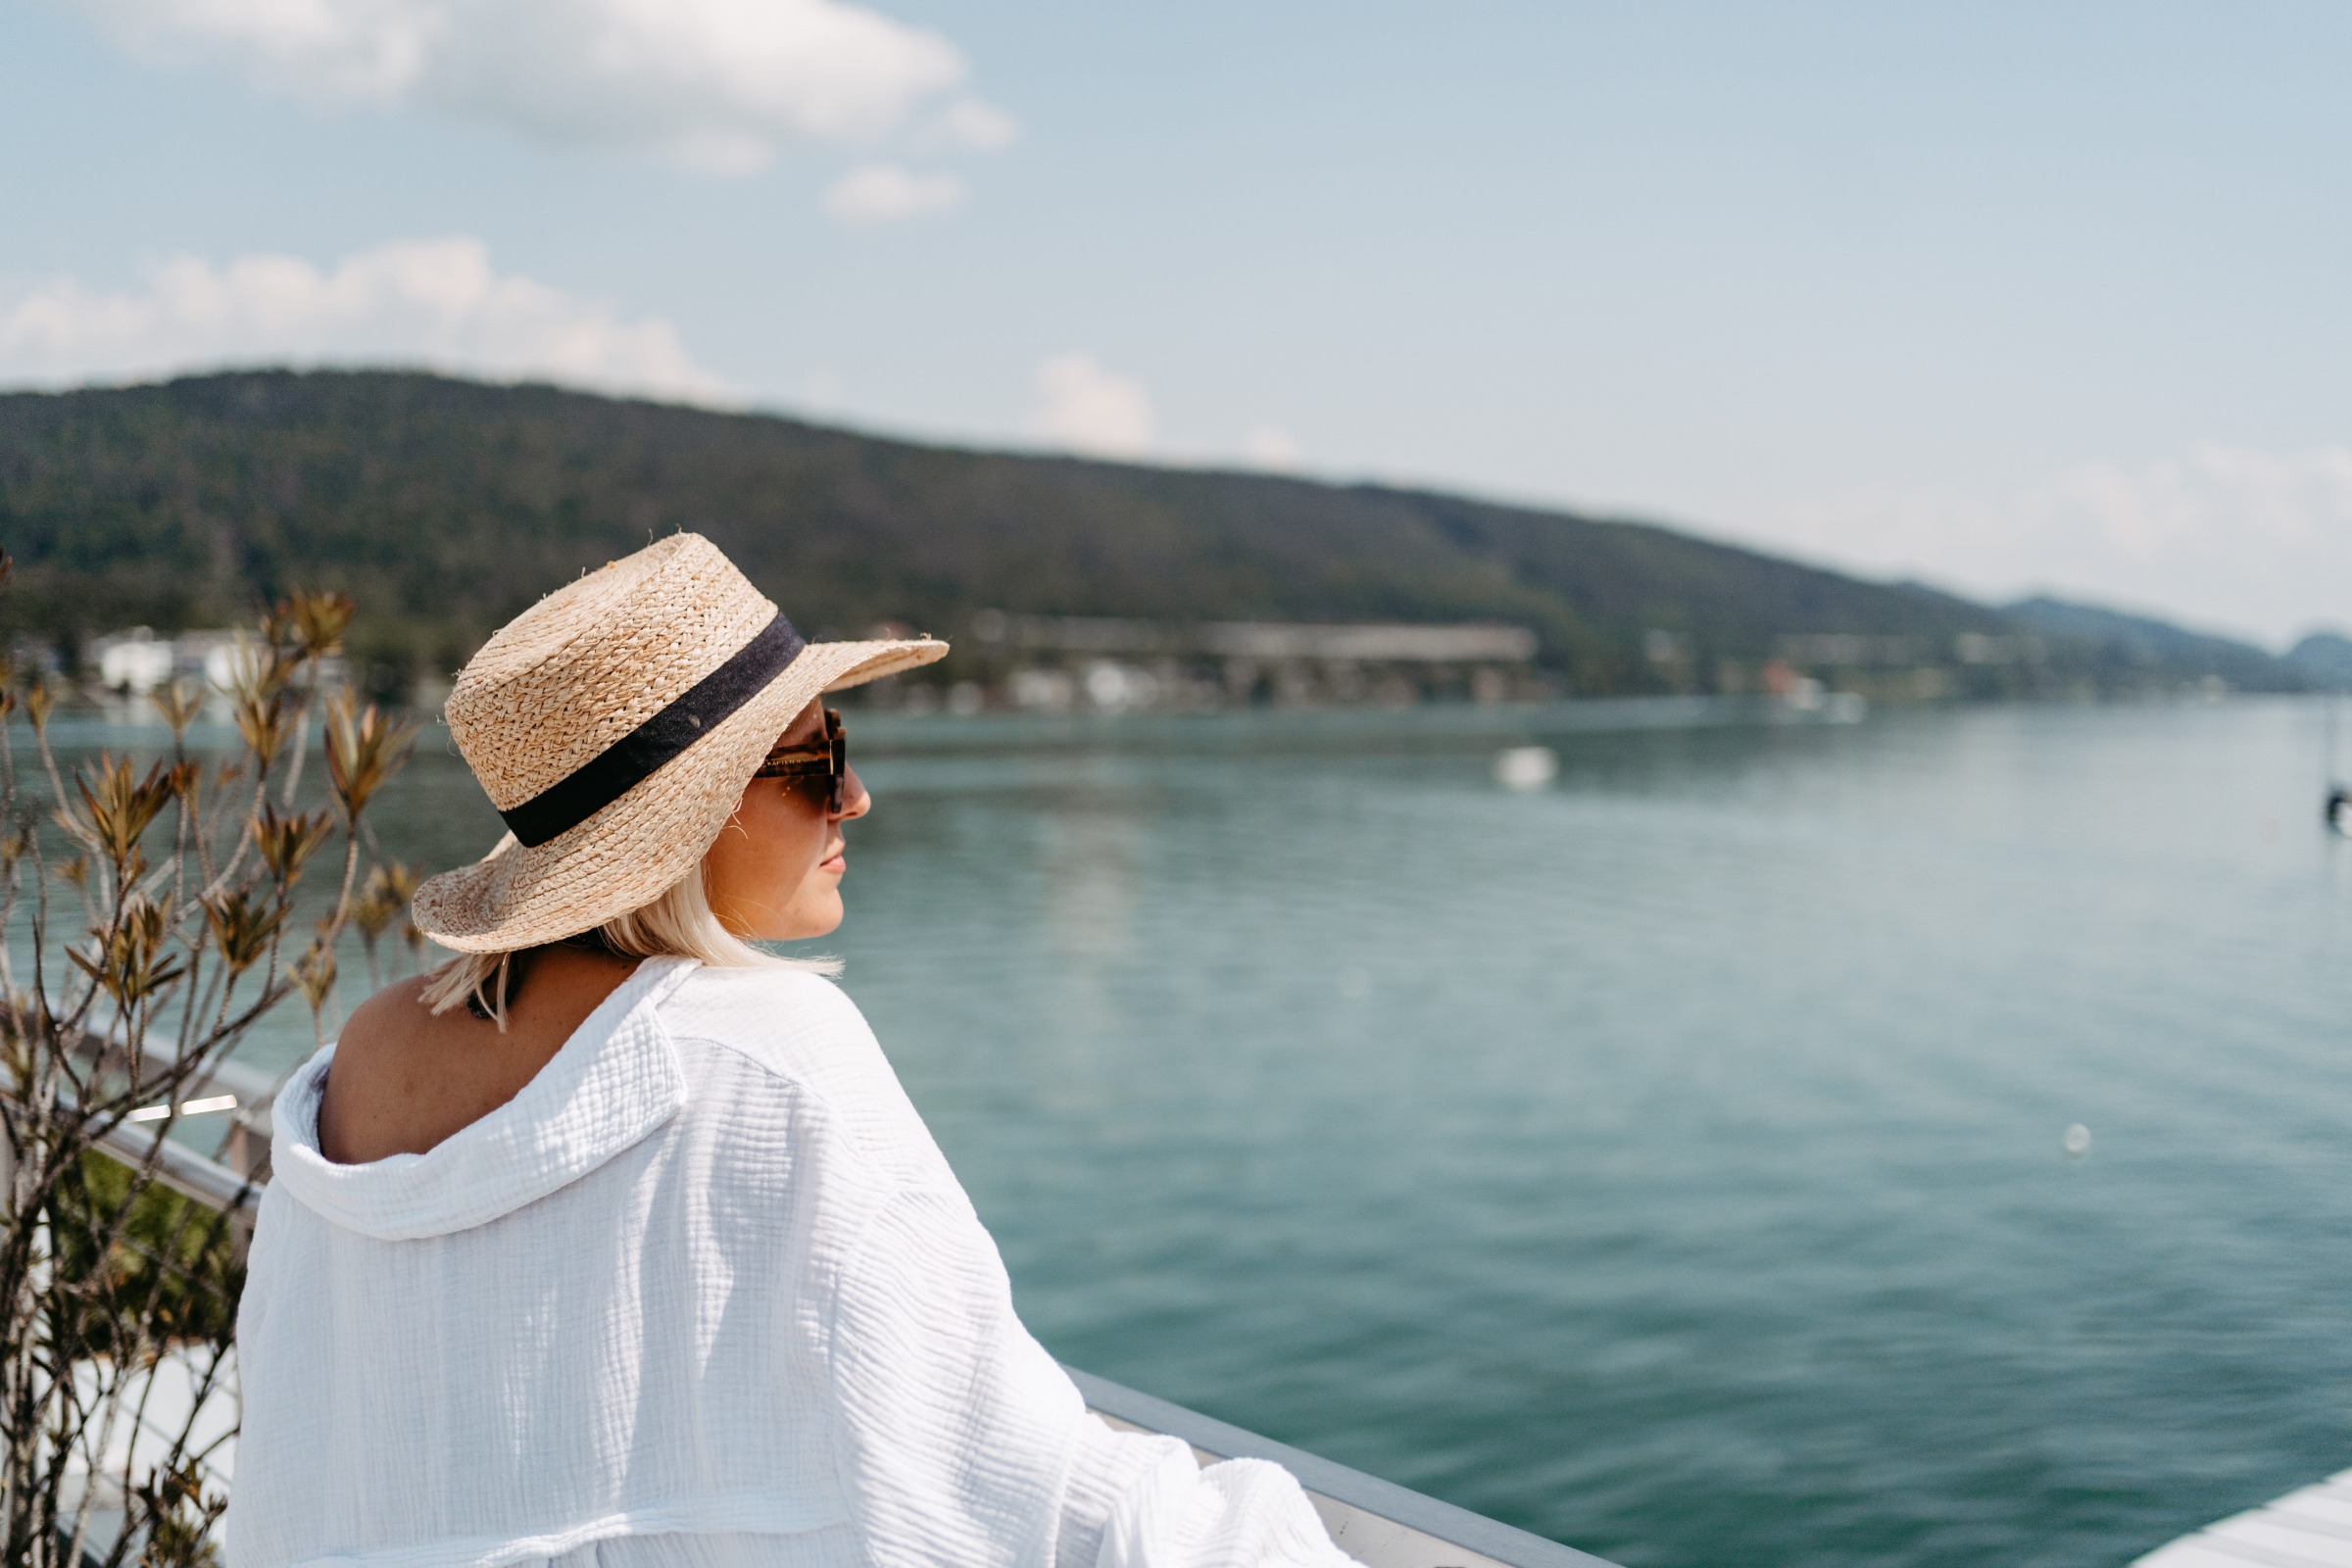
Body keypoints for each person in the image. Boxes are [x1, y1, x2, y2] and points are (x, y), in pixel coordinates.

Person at [225, 533, 1357, 1568]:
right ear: (705, 805)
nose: (857, 798)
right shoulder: (762, 1058)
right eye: (819, 762)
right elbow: (1023, 1484)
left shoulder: (353, 1066)